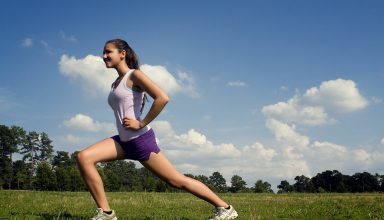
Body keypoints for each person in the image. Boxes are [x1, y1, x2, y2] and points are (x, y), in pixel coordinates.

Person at [76, 38, 238, 220]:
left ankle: (225, 208)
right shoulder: (116, 82)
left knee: (176, 180)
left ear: (122, 54)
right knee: (84, 157)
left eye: (108, 52)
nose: (104, 56)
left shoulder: (134, 75)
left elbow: (162, 97)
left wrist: (141, 123)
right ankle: (106, 213)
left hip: (140, 141)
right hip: (124, 141)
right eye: (103, 52)